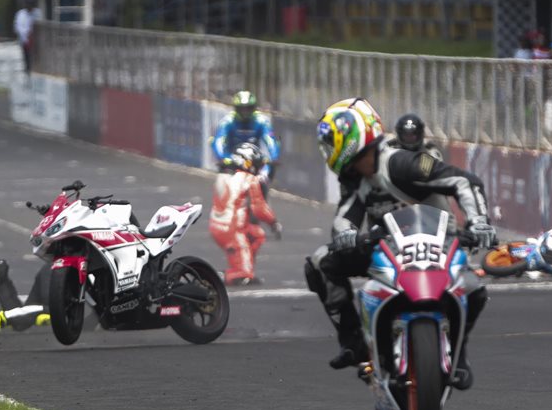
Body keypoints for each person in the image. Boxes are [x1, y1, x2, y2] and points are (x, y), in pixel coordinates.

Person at [303, 98, 496, 389]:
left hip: (438, 246)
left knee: (475, 290)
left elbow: (463, 181)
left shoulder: (401, 161)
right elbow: (345, 217)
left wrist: (479, 222)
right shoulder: (355, 178)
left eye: (331, 142)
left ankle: (458, 353)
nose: (328, 150)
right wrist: (347, 236)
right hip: (386, 249)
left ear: (352, 136)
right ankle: (354, 343)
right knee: (319, 262)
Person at [210, 143, 281, 287]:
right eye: (256, 164)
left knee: (257, 234)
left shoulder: (223, 174)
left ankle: (242, 262)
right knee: (244, 275)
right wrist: (274, 223)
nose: (257, 169)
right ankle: (213, 277)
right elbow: (259, 208)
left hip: (216, 226)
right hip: (231, 230)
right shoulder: (249, 179)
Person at [212, 90, 281, 190]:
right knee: (222, 182)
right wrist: (221, 157)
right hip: (231, 161)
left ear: (253, 108)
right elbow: (219, 140)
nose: (245, 112)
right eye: (242, 109)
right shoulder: (227, 121)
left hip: (254, 160)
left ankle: (262, 202)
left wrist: (274, 157)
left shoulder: (261, 121)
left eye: (248, 109)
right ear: (236, 109)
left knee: (264, 177)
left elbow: (270, 140)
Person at [14, 0, 35, 73]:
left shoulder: (36, 13)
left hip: (35, 39)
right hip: (25, 39)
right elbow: (18, 27)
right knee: (27, 55)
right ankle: (28, 69)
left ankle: (33, 68)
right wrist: (26, 34)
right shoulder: (21, 14)